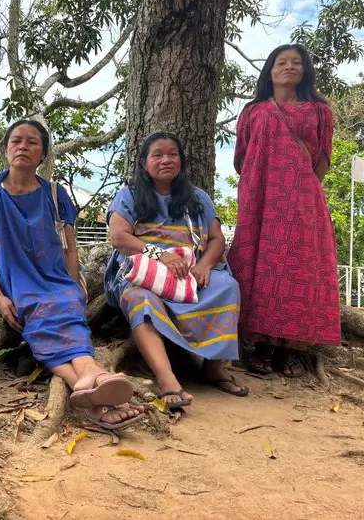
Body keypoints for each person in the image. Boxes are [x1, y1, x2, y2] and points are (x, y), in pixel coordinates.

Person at [0, 118, 146, 430]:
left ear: (43, 154)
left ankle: (86, 389)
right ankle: (92, 374)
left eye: (32, 142)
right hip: (12, 279)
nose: (23, 146)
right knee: (40, 309)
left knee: (68, 302)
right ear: (6, 149)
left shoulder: (55, 194)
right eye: (16, 140)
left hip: (53, 276)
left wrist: (75, 284)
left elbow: (69, 248)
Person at [104, 132, 248, 410]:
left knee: (227, 286)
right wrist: (161, 255)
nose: (166, 160)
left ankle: (214, 369)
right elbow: (119, 237)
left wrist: (204, 265)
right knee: (140, 299)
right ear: (144, 163)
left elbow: (216, 239)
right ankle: (167, 378)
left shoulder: (198, 198)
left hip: (190, 272)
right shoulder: (129, 195)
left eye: (173, 154)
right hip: (144, 272)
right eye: (157, 155)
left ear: (181, 161)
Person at [228, 43, 341, 377]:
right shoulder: (253, 111)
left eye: (296, 62)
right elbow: (241, 158)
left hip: (303, 201)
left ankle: (290, 350)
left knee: (299, 268)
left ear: (305, 71)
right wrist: (264, 186)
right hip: (259, 200)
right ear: (270, 70)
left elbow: (323, 159)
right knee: (259, 267)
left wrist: (299, 187)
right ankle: (260, 346)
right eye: (281, 62)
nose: (289, 67)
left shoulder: (319, 111)